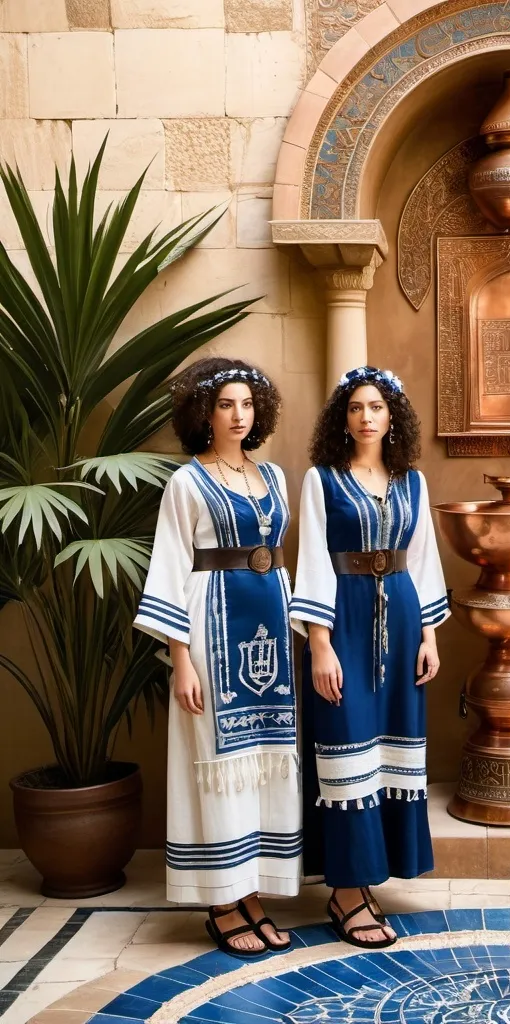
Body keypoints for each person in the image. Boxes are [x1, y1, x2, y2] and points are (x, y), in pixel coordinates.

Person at [134, 357, 300, 957]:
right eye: (226, 404)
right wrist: (180, 658)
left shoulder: (276, 478)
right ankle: (222, 899)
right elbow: (172, 565)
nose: (238, 415)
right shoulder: (187, 481)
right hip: (208, 626)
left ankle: (251, 892)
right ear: (203, 412)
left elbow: (280, 555)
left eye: (247, 404)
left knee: (264, 760)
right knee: (215, 760)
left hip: (269, 634)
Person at [291, 365, 449, 949]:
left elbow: (425, 558)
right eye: (355, 408)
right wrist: (320, 644)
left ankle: (369, 877)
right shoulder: (321, 479)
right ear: (343, 417)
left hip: (404, 619)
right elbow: (310, 559)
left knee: (389, 748)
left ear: (392, 417)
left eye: (376, 408)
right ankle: (346, 890)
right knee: (345, 748)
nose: (365, 417)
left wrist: (431, 636)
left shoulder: (412, 481)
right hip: (345, 617)